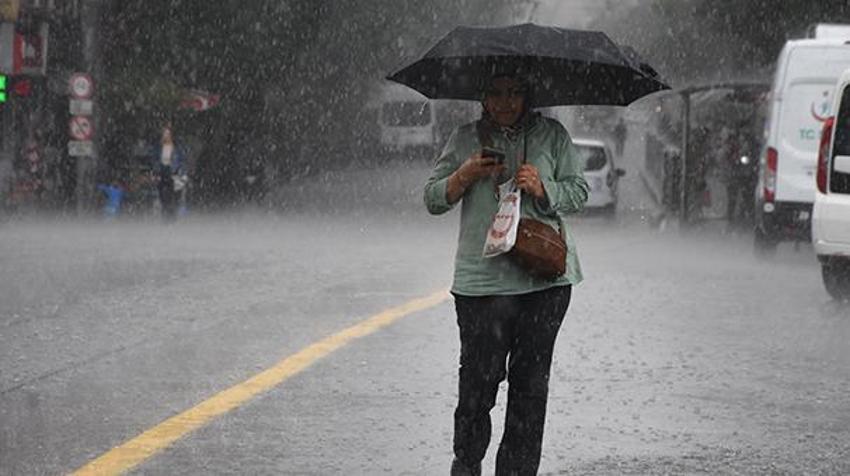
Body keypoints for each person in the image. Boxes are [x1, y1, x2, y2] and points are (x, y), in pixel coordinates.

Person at [424, 74, 589, 475]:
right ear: (483, 94)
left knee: (530, 390)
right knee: (478, 385)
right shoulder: (464, 138)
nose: (504, 101)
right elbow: (432, 199)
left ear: (527, 94)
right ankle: (467, 461)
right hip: (481, 285)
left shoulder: (552, 135)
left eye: (514, 92)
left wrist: (544, 187)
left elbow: (579, 192)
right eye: (495, 91)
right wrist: (463, 175)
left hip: (544, 283)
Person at [150, 124, 187, 222]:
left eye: (167, 134)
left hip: (173, 172)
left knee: (173, 196)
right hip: (162, 171)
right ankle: (165, 217)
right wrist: (155, 171)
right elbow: (154, 160)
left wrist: (180, 172)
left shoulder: (177, 147)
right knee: (163, 196)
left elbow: (182, 161)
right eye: (164, 134)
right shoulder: (158, 147)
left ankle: (172, 217)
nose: (165, 136)